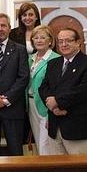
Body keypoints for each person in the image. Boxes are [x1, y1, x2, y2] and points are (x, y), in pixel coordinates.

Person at [40, 28, 87, 155]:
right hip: (55, 128)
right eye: (60, 41)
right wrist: (52, 107)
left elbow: (83, 91)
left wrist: (57, 101)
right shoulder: (53, 63)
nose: (63, 44)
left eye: (68, 41)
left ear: (78, 42)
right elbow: (43, 88)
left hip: (78, 129)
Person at [0, 13, 29, 156]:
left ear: (9, 28)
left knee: (16, 151)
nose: (0, 29)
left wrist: (6, 99)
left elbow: (23, 77)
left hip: (13, 108)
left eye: (3, 25)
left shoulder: (20, 50)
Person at [27, 25, 60, 155]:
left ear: (50, 41)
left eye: (43, 37)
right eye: (36, 37)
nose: (39, 40)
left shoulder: (56, 59)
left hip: (46, 104)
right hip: (30, 103)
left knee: (46, 142)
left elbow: (56, 86)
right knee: (38, 139)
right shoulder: (30, 58)